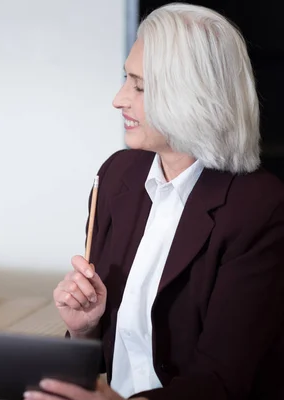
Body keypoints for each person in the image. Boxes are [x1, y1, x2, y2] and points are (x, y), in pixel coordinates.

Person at [26, 3, 284, 400]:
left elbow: (225, 382)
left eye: (140, 86)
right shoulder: (117, 176)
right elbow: (101, 356)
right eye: (125, 79)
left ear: (196, 96)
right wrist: (84, 328)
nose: (118, 99)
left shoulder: (259, 208)